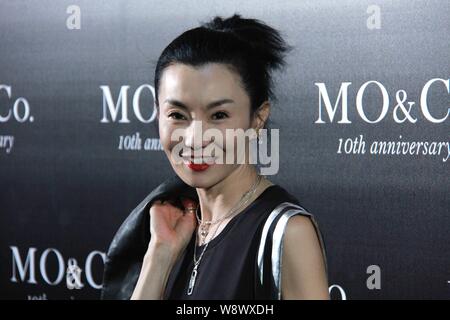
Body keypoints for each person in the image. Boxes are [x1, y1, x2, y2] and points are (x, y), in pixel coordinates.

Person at [101, 13, 329, 300]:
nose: (195, 138)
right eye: (177, 115)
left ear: (257, 118)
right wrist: (159, 257)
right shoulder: (170, 227)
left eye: (219, 115)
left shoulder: (287, 234)